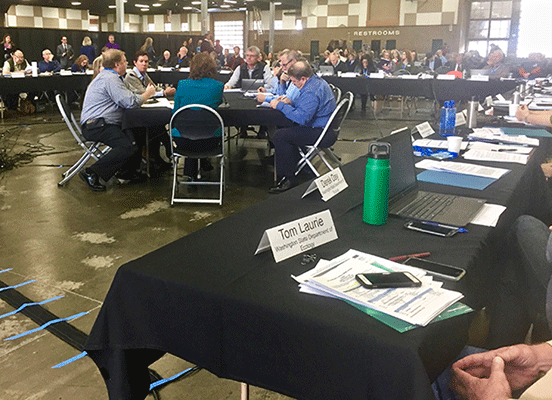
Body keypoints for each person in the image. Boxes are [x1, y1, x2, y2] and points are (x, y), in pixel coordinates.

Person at [79, 49, 155, 192]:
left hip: (101, 123)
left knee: (137, 134)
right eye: (125, 61)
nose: (126, 64)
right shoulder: (110, 79)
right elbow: (130, 102)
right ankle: (92, 172)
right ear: (117, 64)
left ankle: (127, 172)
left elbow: (127, 97)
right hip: (97, 125)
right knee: (126, 146)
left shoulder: (109, 77)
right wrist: (147, 94)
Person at [268, 60, 337, 193]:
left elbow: (302, 118)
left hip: (321, 133)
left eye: (294, 81)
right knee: (287, 131)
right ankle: (301, 168)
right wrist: (290, 103)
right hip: (325, 129)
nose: (293, 84)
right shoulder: (316, 82)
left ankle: (286, 179)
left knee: (280, 136)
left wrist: (280, 106)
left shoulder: (311, 91)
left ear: (304, 78)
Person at [172, 52, 224, 178]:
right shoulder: (218, 86)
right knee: (201, 126)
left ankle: (189, 174)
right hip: (210, 142)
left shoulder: (182, 84)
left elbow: (175, 113)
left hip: (182, 141)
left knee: (192, 127)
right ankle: (200, 168)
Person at [125, 50, 177, 172]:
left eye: (146, 61)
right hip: (135, 117)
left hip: (146, 110)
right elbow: (143, 92)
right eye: (141, 61)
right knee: (157, 126)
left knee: (158, 125)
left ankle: (158, 157)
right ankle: (166, 153)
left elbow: (154, 87)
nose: (144, 64)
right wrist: (164, 93)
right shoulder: (131, 77)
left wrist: (164, 89)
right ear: (135, 63)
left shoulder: (144, 75)